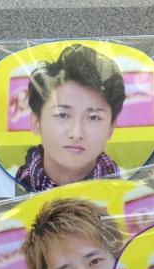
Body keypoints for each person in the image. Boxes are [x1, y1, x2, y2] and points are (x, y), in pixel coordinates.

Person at [16, 44, 126, 192]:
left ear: (111, 128)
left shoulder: (130, 195)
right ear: (36, 121)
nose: (76, 133)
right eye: (62, 115)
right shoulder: (6, 187)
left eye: (94, 117)